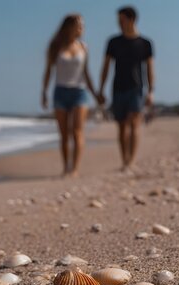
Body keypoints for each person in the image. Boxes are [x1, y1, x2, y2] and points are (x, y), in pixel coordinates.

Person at [42, 14, 99, 177]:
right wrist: (44, 91)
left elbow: (86, 73)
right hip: (60, 91)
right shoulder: (55, 46)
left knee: (77, 131)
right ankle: (65, 167)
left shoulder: (83, 47)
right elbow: (48, 70)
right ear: (69, 27)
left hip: (79, 92)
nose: (82, 29)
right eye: (79, 25)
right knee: (64, 134)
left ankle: (75, 168)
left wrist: (95, 94)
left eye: (83, 26)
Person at [98, 6, 154, 172]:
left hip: (136, 88)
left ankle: (132, 161)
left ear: (132, 19)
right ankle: (125, 160)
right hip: (118, 88)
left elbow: (150, 69)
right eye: (118, 21)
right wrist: (100, 89)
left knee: (134, 124)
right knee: (122, 126)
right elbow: (106, 67)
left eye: (122, 20)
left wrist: (151, 91)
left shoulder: (145, 43)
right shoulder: (113, 42)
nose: (119, 24)